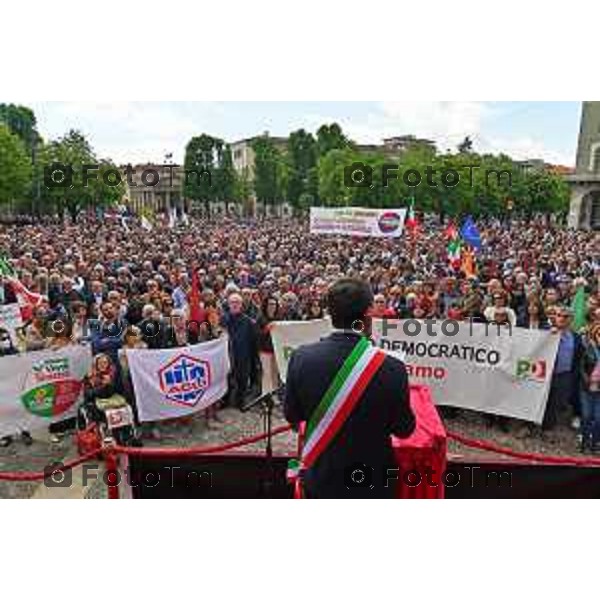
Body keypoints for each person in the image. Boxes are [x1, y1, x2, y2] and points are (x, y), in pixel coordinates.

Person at [284, 278, 416, 498]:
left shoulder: (301, 358)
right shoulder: (392, 368)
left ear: (331, 312)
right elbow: (404, 428)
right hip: (374, 481)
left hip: (323, 478)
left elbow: (293, 416)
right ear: (368, 314)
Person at [221, 292, 259, 408]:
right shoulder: (223, 319)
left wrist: (253, 358)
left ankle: (240, 401)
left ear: (241, 304)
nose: (235, 305)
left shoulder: (249, 322)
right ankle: (225, 401)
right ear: (228, 304)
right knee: (227, 378)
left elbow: (253, 341)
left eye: (237, 302)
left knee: (242, 379)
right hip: (227, 354)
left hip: (244, 354)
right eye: (232, 302)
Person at [579, 323, 600, 453]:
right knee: (586, 416)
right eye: (599, 333)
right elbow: (581, 367)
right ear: (595, 334)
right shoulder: (588, 348)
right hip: (587, 388)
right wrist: (587, 380)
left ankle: (594, 443)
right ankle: (585, 442)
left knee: (598, 418)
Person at [256, 296, 280, 396]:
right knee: (267, 374)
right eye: (270, 304)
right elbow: (257, 334)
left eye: (274, 304)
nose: (272, 306)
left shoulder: (279, 317)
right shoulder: (260, 318)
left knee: (275, 374)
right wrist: (267, 329)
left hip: (276, 350)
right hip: (264, 351)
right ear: (266, 305)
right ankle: (266, 396)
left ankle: (274, 395)